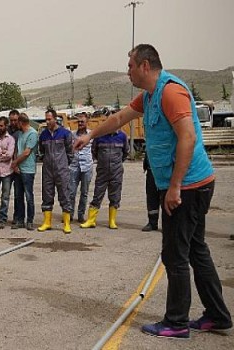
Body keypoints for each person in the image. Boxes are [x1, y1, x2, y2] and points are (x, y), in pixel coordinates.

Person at [74, 44, 231, 338]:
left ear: (145, 65)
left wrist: (174, 187)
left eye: (130, 65)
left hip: (188, 186)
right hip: (188, 185)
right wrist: (90, 135)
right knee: (196, 251)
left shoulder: (170, 92)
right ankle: (217, 315)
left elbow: (187, 137)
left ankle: (176, 322)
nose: (128, 71)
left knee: (175, 255)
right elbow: (120, 118)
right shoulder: (149, 96)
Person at [79, 129, 129, 229]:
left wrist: (116, 163)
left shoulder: (123, 136)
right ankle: (91, 220)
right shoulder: (99, 136)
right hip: (102, 172)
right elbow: (94, 151)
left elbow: (125, 152)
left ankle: (112, 221)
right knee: (97, 195)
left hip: (116, 172)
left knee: (115, 196)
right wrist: (102, 162)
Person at [38, 109, 74, 233]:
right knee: (47, 195)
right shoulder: (43, 135)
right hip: (47, 170)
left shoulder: (65, 133)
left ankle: (67, 224)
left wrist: (63, 164)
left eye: (49, 119)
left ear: (55, 119)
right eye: (46, 119)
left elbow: (70, 152)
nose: (47, 122)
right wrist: (46, 161)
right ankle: (47, 222)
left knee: (65, 194)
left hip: (62, 170)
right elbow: (41, 151)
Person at [10, 113, 39, 231]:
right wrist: (16, 163)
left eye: (17, 122)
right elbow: (17, 149)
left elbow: (27, 152)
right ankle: (20, 220)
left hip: (28, 170)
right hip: (18, 170)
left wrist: (15, 162)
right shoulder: (21, 134)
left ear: (21, 122)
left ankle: (30, 220)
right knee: (18, 196)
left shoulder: (32, 134)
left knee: (28, 196)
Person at [68, 113, 94, 223]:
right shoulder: (72, 135)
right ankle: (69, 214)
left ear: (87, 122)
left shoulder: (91, 135)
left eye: (82, 122)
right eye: (78, 122)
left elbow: (96, 149)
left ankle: (81, 215)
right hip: (74, 166)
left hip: (87, 167)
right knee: (71, 192)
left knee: (84, 192)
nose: (80, 123)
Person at [7, 110, 23, 228]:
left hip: (18, 167)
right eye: (11, 120)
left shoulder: (22, 132)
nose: (13, 122)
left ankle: (18, 217)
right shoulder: (6, 131)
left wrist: (16, 163)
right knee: (5, 194)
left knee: (18, 194)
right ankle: (2, 216)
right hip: (6, 167)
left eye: (15, 120)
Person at [142, 151, 160, 231]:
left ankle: (169, 225)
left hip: (165, 171)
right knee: (151, 197)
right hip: (151, 170)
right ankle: (152, 223)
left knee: (165, 197)